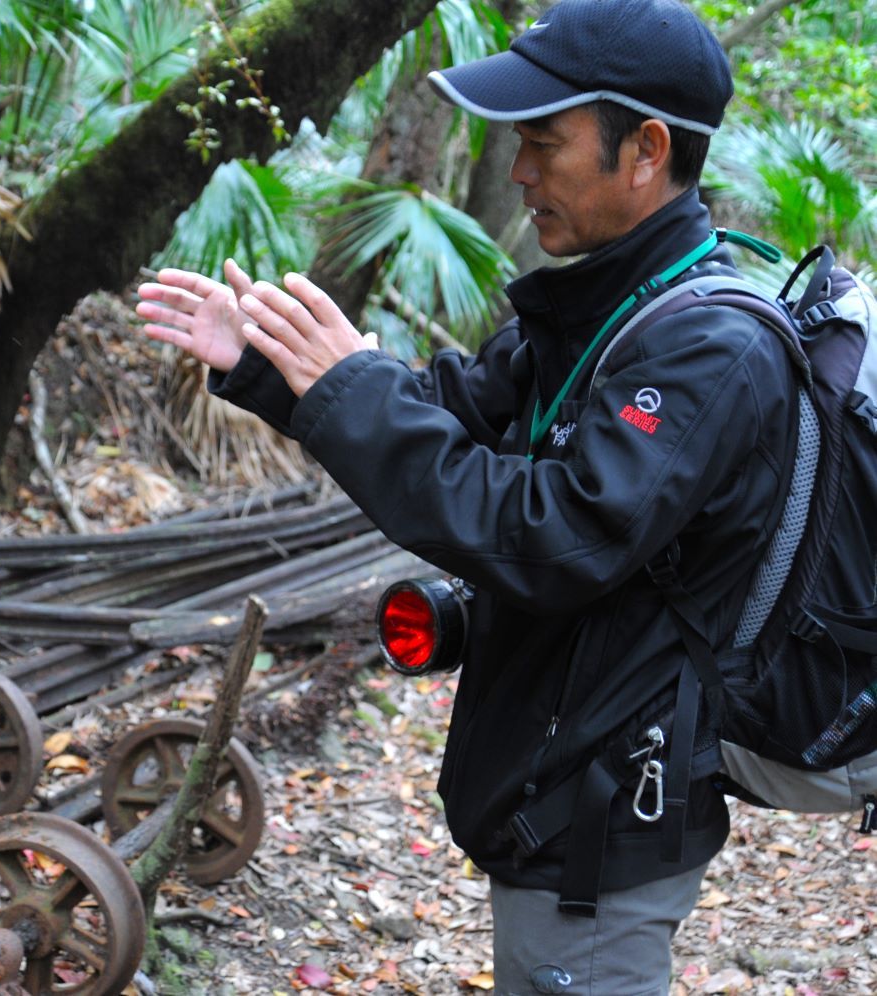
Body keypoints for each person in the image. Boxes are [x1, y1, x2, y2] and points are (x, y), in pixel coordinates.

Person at [136, 1, 797, 992]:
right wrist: (279, 372)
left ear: (647, 150)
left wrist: (348, 392)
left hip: (602, 826)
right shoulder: (601, 306)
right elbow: (457, 412)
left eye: (544, 141)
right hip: (559, 791)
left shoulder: (709, 347)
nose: (522, 170)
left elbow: (556, 535)